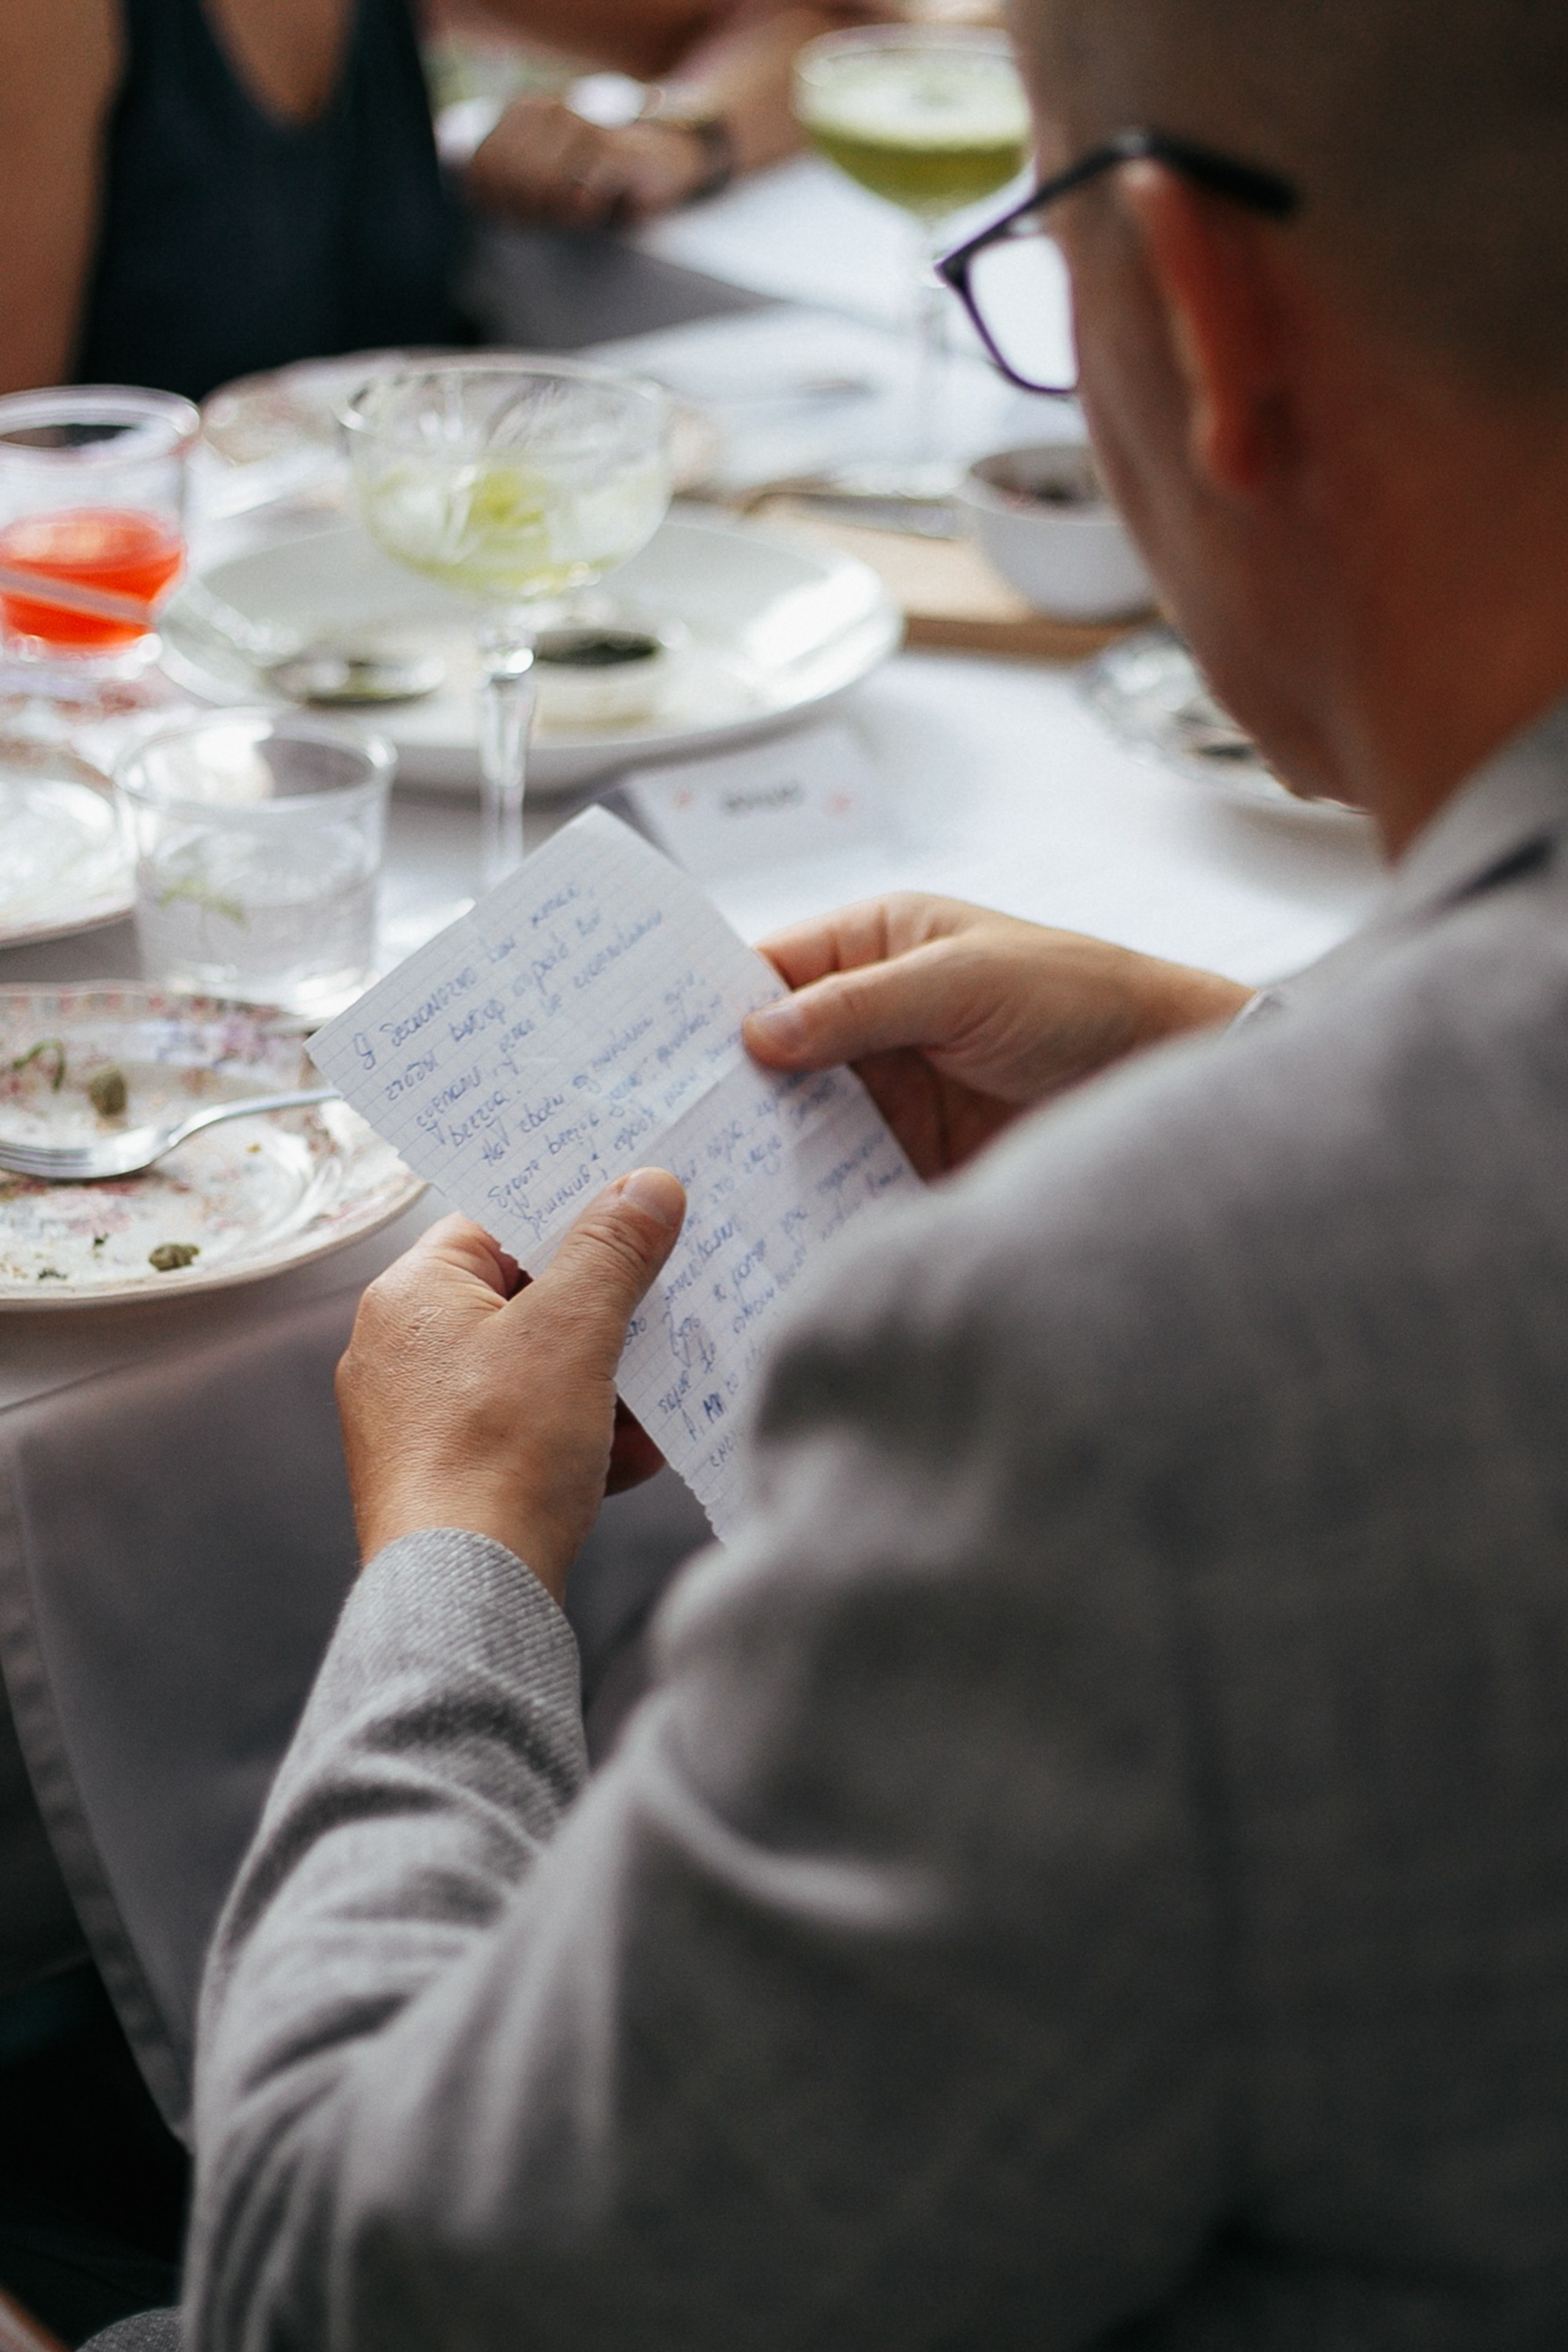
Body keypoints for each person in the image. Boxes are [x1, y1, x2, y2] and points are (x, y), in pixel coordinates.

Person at [118, 0, 1568, 2338]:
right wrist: (1239, 1047)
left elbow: (351, 2289)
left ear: (1193, 311)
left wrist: (459, 1562)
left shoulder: (1123, 1363)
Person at [0, 0, 868, 403]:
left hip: (413, 586)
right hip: (158, 650)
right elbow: (17, 448)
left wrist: (675, 139)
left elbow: (811, 27)